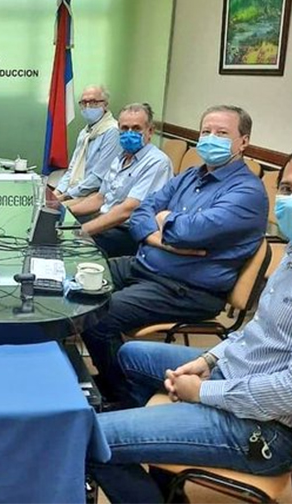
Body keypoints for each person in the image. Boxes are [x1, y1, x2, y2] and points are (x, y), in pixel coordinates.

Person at [87, 145, 292, 504]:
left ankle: (144, 441)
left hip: (266, 428)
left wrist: (202, 393)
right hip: (240, 374)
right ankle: (160, 457)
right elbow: (259, 329)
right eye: (287, 189)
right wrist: (208, 360)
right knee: (130, 355)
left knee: (89, 438)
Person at [83, 105, 268, 404]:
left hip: (184, 288)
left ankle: (123, 397)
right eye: (206, 131)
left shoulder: (247, 192)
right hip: (144, 266)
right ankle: (108, 376)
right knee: (79, 281)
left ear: (243, 142)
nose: (211, 138)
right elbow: (143, 211)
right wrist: (161, 240)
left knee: (97, 317)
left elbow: (187, 233)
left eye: (222, 133)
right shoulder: (191, 176)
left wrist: (164, 219)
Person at [67, 103, 172, 257]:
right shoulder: (120, 158)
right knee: (58, 231)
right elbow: (100, 198)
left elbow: (128, 210)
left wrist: (82, 231)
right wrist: (65, 211)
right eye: (124, 128)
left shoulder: (157, 162)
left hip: (128, 232)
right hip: (106, 223)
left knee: (70, 246)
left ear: (150, 131)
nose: (129, 133)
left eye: (136, 128)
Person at [53, 86, 122, 201]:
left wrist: (66, 196)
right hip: (74, 191)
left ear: (105, 105)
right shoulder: (85, 133)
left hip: (95, 196)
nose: (88, 107)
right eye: (84, 103)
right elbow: (72, 169)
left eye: (94, 102)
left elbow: (99, 177)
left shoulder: (112, 132)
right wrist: (57, 192)